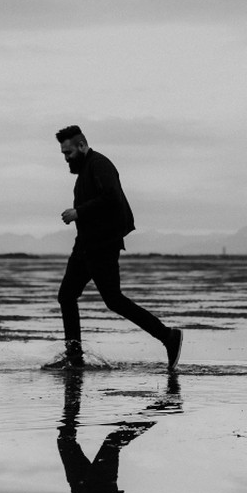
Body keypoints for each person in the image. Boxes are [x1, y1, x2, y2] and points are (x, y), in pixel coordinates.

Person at [44, 125, 183, 371]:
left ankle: (169, 336)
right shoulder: (85, 171)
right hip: (85, 245)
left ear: (81, 145)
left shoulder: (100, 164)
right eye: (63, 154)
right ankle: (74, 357)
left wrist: (78, 212)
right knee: (67, 296)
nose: (66, 158)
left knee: (114, 300)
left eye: (69, 153)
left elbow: (112, 197)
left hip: (102, 245)